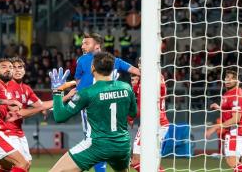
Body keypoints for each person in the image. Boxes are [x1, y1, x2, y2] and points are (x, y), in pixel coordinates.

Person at [49, 52, 137, 172]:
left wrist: (57, 91)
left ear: (92, 68)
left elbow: (59, 116)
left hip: (97, 145)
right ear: (113, 68)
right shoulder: (126, 87)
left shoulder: (87, 93)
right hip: (122, 146)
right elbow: (132, 114)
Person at [74, 32, 140, 172]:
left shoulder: (112, 60)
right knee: (103, 140)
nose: (82, 45)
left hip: (104, 106)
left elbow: (135, 71)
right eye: (82, 43)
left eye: (86, 43)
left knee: (95, 140)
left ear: (97, 45)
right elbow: (78, 81)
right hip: (92, 106)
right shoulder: (82, 61)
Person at [0, 57, 75, 172]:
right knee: (22, 165)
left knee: (21, 165)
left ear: (24, 70)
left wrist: (61, 95)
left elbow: (43, 106)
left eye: (20, 67)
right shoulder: (7, 87)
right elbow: (19, 113)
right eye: (14, 67)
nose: (18, 70)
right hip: (5, 132)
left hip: (17, 132)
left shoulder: (26, 89)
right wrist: (43, 107)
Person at [130, 58, 169, 172]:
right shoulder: (148, 79)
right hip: (158, 123)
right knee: (150, 162)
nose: (141, 66)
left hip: (153, 123)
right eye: (140, 63)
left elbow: (141, 108)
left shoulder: (153, 79)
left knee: (136, 160)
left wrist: (129, 116)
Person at [206, 70, 242, 171]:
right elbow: (231, 111)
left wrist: (215, 126)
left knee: (231, 161)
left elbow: (236, 118)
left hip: (235, 131)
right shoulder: (229, 93)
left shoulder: (235, 94)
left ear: (237, 81)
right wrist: (220, 108)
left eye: (231, 78)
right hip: (236, 132)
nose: (228, 80)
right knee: (236, 162)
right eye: (227, 77)